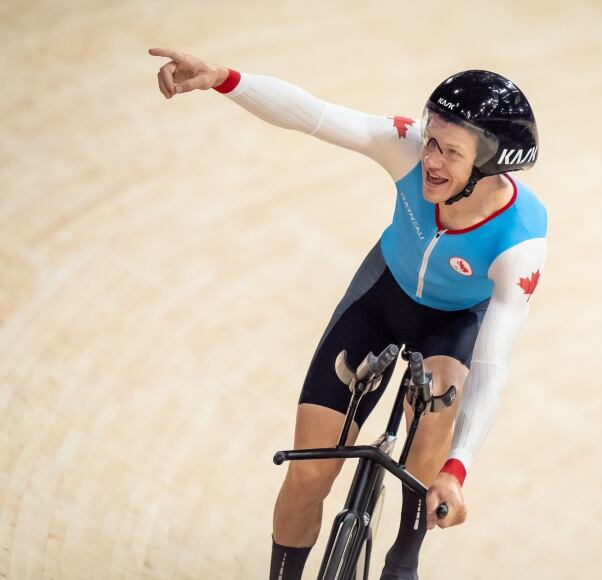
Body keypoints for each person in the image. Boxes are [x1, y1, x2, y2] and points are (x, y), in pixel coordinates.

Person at [149, 47, 547, 580]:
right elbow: (315, 115)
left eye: (451, 152)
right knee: (309, 474)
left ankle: (403, 560)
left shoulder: (518, 241)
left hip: (452, 322)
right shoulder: (405, 148)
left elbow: (494, 365)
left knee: (435, 412)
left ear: (489, 165)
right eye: (432, 140)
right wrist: (224, 79)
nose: (430, 159)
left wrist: (458, 468)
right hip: (383, 296)